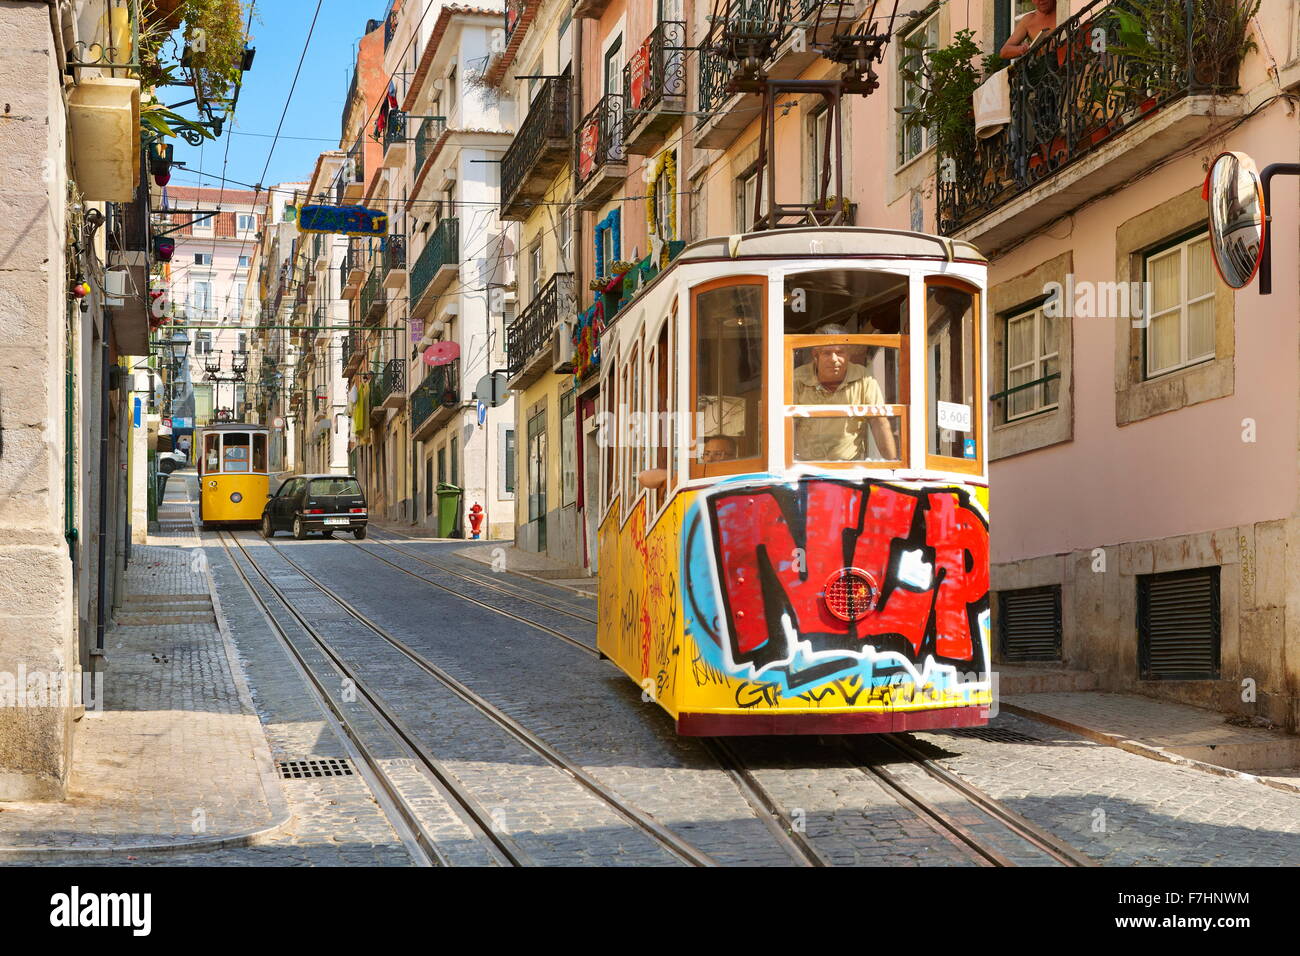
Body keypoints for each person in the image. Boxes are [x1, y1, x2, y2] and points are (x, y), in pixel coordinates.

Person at [792, 323, 898, 462]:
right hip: (805, 469)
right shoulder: (797, 379)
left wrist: (893, 464)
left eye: (840, 352)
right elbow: (784, 424)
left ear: (848, 354)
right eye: (827, 353)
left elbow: (879, 422)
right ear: (815, 355)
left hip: (849, 468)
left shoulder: (863, 377)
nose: (834, 359)